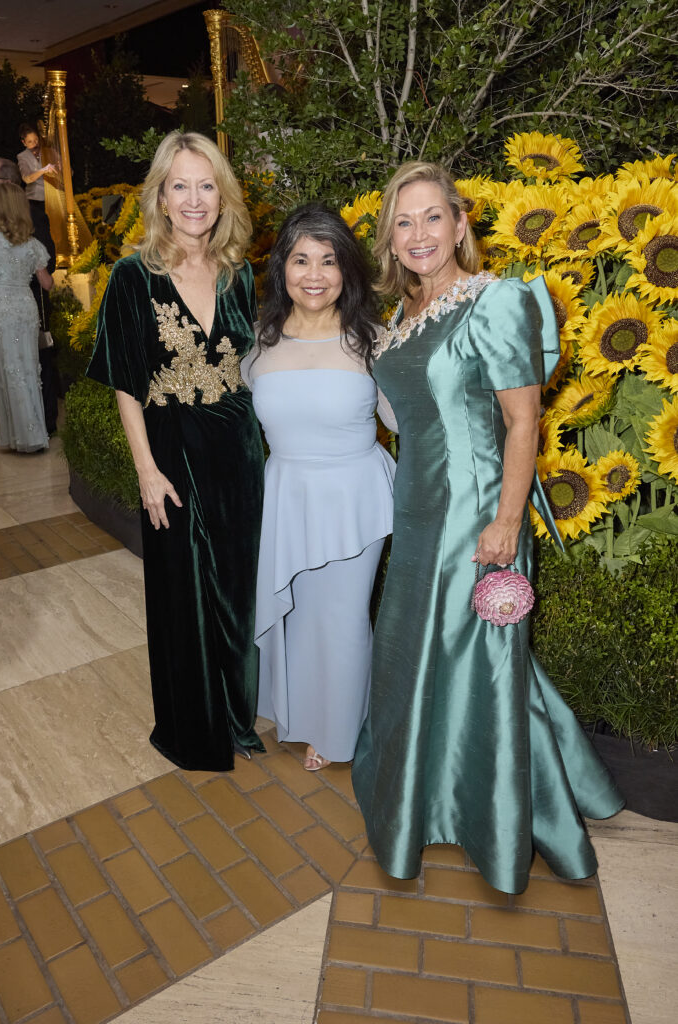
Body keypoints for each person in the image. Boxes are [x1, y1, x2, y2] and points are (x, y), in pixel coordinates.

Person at [351, 162, 623, 893]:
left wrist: (506, 521)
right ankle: (431, 794)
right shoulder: (402, 317)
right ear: (389, 238)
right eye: (403, 222)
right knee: (422, 655)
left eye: (431, 217)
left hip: (475, 516)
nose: (418, 234)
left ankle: (493, 821)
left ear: (459, 223)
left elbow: (522, 420)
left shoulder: (494, 300)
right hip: (416, 514)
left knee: (481, 662)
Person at [86, 130, 265, 771]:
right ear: (160, 197)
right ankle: (195, 729)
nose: (194, 199)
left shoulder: (241, 273)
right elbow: (126, 383)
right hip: (171, 449)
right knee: (182, 590)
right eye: (180, 186)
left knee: (237, 588)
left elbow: (257, 364)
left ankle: (238, 715)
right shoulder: (132, 277)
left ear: (223, 195)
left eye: (206, 185)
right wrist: (146, 469)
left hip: (238, 449)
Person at [241, 204, 395, 771]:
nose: (314, 274)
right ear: (281, 266)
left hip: (355, 496)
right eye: (301, 259)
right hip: (287, 494)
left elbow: (406, 421)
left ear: (346, 269)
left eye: (328, 261)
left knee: (344, 616)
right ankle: (303, 713)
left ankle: (337, 729)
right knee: (300, 613)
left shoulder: (372, 339)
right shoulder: (258, 341)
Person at [0, 181, 52, 452]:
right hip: (25, 308)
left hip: (0, 309)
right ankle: (33, 435)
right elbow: (47, 284)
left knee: (7, 372)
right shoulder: (32, 244)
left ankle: (14, 437)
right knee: (28, 371)